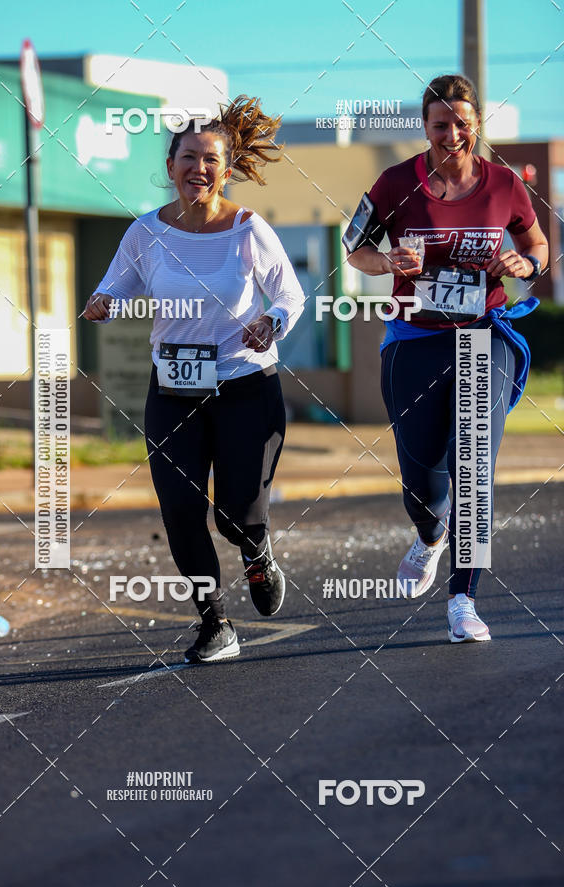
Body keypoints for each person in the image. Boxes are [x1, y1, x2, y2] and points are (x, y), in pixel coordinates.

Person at [83, 96, 306, 663]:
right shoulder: (145, 233)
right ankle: (215, 624)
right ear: (170, 166)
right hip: (174, 389)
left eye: (210, 159)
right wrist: (104, 301)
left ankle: (256, 551)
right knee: (180, 509)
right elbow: (118, 284)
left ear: (225, 169)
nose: (198, 169)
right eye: (188, 157)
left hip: (244, 385)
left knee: (234, 513)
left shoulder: (248, 230)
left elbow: (290, 294)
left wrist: (271, 321)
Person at [347, 74, 548, 643]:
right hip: (415, 340)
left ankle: (464, 598)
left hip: (483, 335)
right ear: (425, 127)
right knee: (422, 479)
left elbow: (538, 246)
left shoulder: (506, 184)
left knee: (476, 466)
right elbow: (355, 247)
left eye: (462, 123)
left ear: (476, 124)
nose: (453, 134)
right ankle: (430, 535)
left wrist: (525, 267)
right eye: (441, 124)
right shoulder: (394, 183)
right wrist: (388, 264)